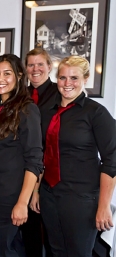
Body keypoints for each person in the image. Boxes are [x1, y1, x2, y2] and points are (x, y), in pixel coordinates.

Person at [39, 56, 116, 256]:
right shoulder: (47, 111)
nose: (67, 84)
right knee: (55, 251)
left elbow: (112, 160)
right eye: (63, 78)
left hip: (81, 199)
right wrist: (36, 192)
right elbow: (41, 153)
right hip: (49, 194)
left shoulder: (96, 113)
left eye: (74, 78)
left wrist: (104, 206)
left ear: (86, 78)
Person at [0, 54, 43, 257]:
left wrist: (22, 202)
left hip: (11, 192)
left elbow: (34, 160)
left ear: (19, 76)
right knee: (6, 247)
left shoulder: (27, 109)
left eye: (7, 73)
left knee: (0, 250)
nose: (0, 78)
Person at [23, 48, 58, 257]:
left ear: (49, 67)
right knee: (30, 233)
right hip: (25, 170)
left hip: (51, 172)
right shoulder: (22, 94)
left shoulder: (59, 92)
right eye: (30, 65)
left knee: (53, 236)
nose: (35, 69)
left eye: (40, 64)